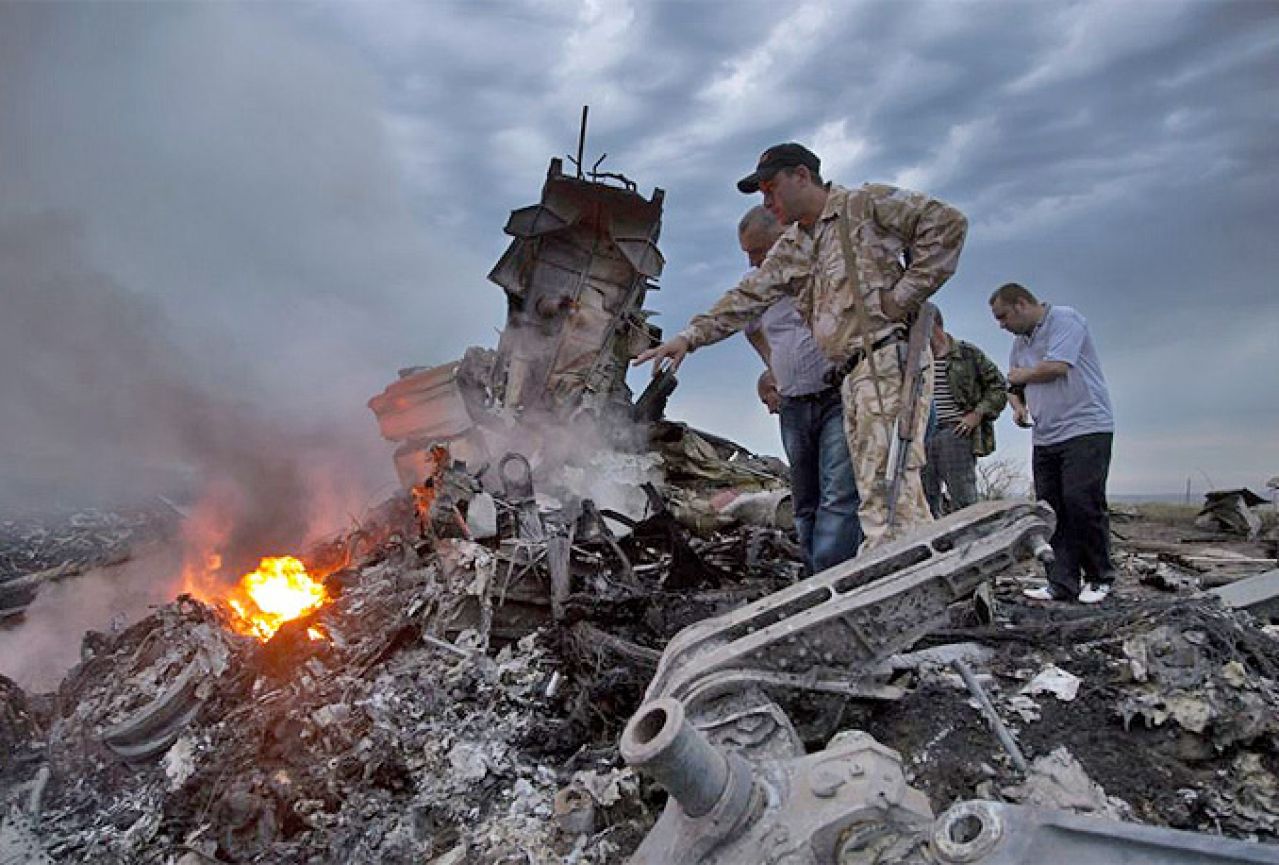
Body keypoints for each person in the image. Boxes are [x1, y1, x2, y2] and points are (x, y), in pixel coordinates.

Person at [635, 143, 968, 549]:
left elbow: (947, 224)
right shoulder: (796, 244)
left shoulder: (863, 204)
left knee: (888, 491)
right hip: (851, 376)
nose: (767, 199)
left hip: (886, 360)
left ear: (802, 176)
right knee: (886, 495)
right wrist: (689, 338)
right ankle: (923, 581)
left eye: (771, 187)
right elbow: (747, 295)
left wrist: (901, 297)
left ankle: (894, 587)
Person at [739, 206, 862, 573]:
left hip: (836, 396)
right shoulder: (757, 284)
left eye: (758, 250)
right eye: (746, 253)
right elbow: (750, 330)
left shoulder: (822, 267)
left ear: (784, 235)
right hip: (793, 403)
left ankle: (833, 581)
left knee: (839, 493)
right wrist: (773, 366)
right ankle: (813, 576)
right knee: (805, 498)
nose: (753, 259)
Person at [989, 283, 1116, 604]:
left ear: (1021, 304)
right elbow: (1012, 384)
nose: (1001, 325)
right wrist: (1017, 408)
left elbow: (1056, 367)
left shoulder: (1065, 320)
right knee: (1051, 510)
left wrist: (1021, 376)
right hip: (1046, 435)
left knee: (1082, 502)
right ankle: (1062, 582)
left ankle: (1100, 577)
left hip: (1085, 428)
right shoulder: (1021, 342)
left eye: (1003, 316)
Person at [923, 309, 1008, 515]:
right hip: (921, 435)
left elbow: (998, 387)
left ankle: (974, 543)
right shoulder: (914, 359)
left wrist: (977, 414)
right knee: (924, 501)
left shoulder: (966, 354)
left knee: (964, 498)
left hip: (955, 432)